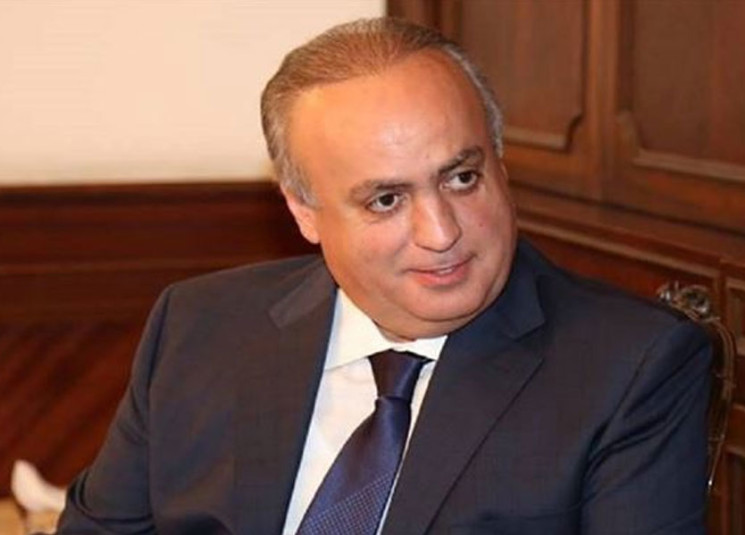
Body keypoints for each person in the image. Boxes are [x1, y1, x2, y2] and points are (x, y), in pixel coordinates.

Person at [57, 17, 711, 535]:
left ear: (501, 163)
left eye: (462, 177)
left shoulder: (628, 366)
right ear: (304, 211)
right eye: (386, 200)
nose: (441, 232)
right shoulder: (200, 325)